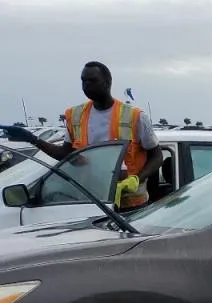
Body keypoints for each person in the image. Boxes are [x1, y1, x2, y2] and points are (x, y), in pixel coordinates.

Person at [1, 61, 163, 210]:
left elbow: (157, 157)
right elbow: (68, 155)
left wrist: (136, 179)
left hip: (132, 207)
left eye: (92, 80)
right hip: (91, 203)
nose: (86, 85)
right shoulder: (75, 115)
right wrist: (32, 138)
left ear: (107, 82)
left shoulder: (135, 116)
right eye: (83, 81)